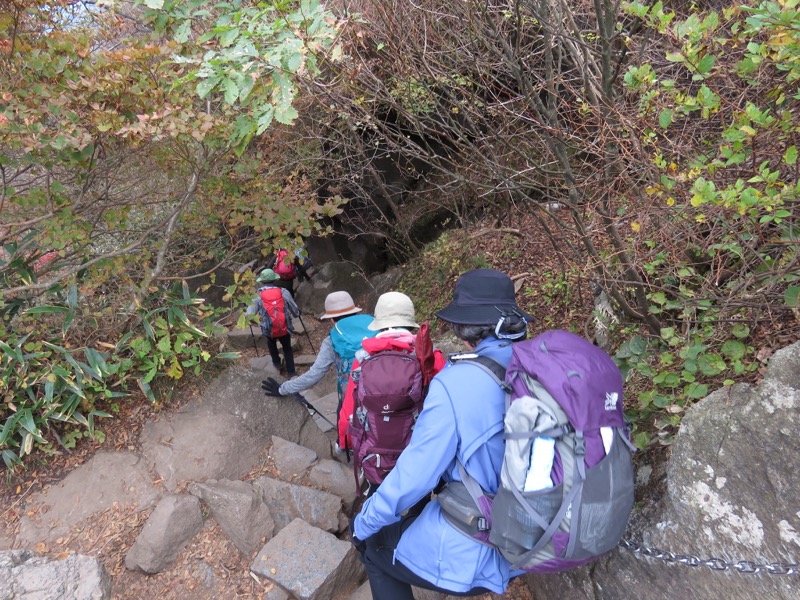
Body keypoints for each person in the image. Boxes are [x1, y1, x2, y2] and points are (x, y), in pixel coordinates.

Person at [350, 269, 532, 599]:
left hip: (483, 545)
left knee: (373, 546)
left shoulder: (457, 382)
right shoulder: (539, 364)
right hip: (538, 532)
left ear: (463, 329)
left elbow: (415, 475)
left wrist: (363, 524)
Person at [338, 291, 446, 496]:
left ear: (379, 324)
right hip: (418, 454)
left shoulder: (363, 359)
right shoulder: (430, 358)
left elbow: (349, 410)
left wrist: (344, 441)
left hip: (373, 454)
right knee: (417, 505)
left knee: (378, 502)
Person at [261, 291, 376, 418]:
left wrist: (282, 389)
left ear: (331, 319)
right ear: (355, 311)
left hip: (353, 397)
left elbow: (314, 375)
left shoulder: (333, 340)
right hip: (387, 391)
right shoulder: (379, 326)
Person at [248, 269, 300, 376]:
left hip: (269, 328)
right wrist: (297, 314)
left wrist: (257, 320)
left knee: (271, 343)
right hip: (285, 326)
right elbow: (294, 309)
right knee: (287, 348)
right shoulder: (283, 292)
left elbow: (249, 315)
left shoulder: (258, 295)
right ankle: (291, 371)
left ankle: (277, 363)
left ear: (262, 281)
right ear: (274, 280)